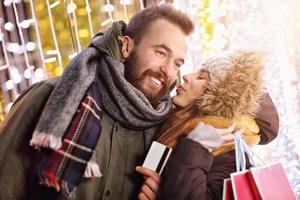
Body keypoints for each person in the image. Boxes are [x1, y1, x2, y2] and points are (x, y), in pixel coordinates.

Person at [0, 5, 196, 200]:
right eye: (161, 53)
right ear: (127, 46)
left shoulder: (164, 132)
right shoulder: (49, 96)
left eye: (177, 63)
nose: (168, 71)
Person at [155, 51, 279, 200]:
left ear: (219, 99)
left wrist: (195, 147)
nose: (187, 76)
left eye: (201, 77)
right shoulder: (173, 124)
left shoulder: (231, 158)